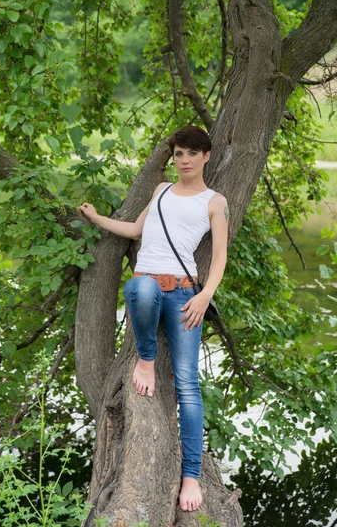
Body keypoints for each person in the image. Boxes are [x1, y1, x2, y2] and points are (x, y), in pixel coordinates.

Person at [78, 125, 229, 513]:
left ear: (206, 156)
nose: (184, 161)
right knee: (142, 289)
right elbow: (135, 229)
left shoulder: (215, 201)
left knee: (187, 385)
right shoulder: (161, 190)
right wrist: (97, 219)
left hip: (184, 294)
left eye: (191, 154)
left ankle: (191, 475)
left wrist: (204, 296)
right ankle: (146, 359)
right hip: (146, 286)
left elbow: (219, 258)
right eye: (178, 154)